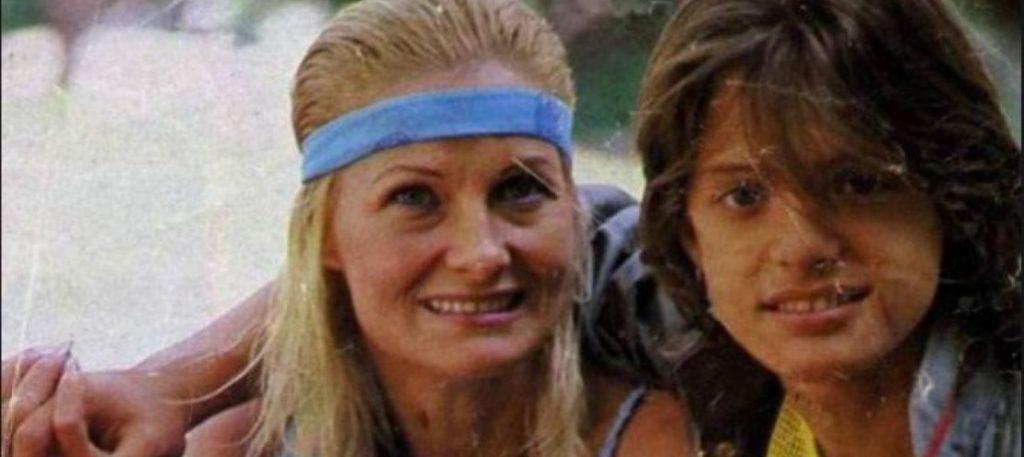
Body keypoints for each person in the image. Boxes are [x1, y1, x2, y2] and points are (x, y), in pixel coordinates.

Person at [1, 0, 693, 456]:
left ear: (571, 211)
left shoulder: (662, 436)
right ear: (326, 237)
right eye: (415, 198)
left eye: (521, 190)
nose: (481, 253)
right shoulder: (243, 444)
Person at [632, 0, 1022, 455]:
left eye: (859, 184)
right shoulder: (723, 399)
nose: (801, 247)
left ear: (951, 199)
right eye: (745, 196)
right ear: (689, 236)